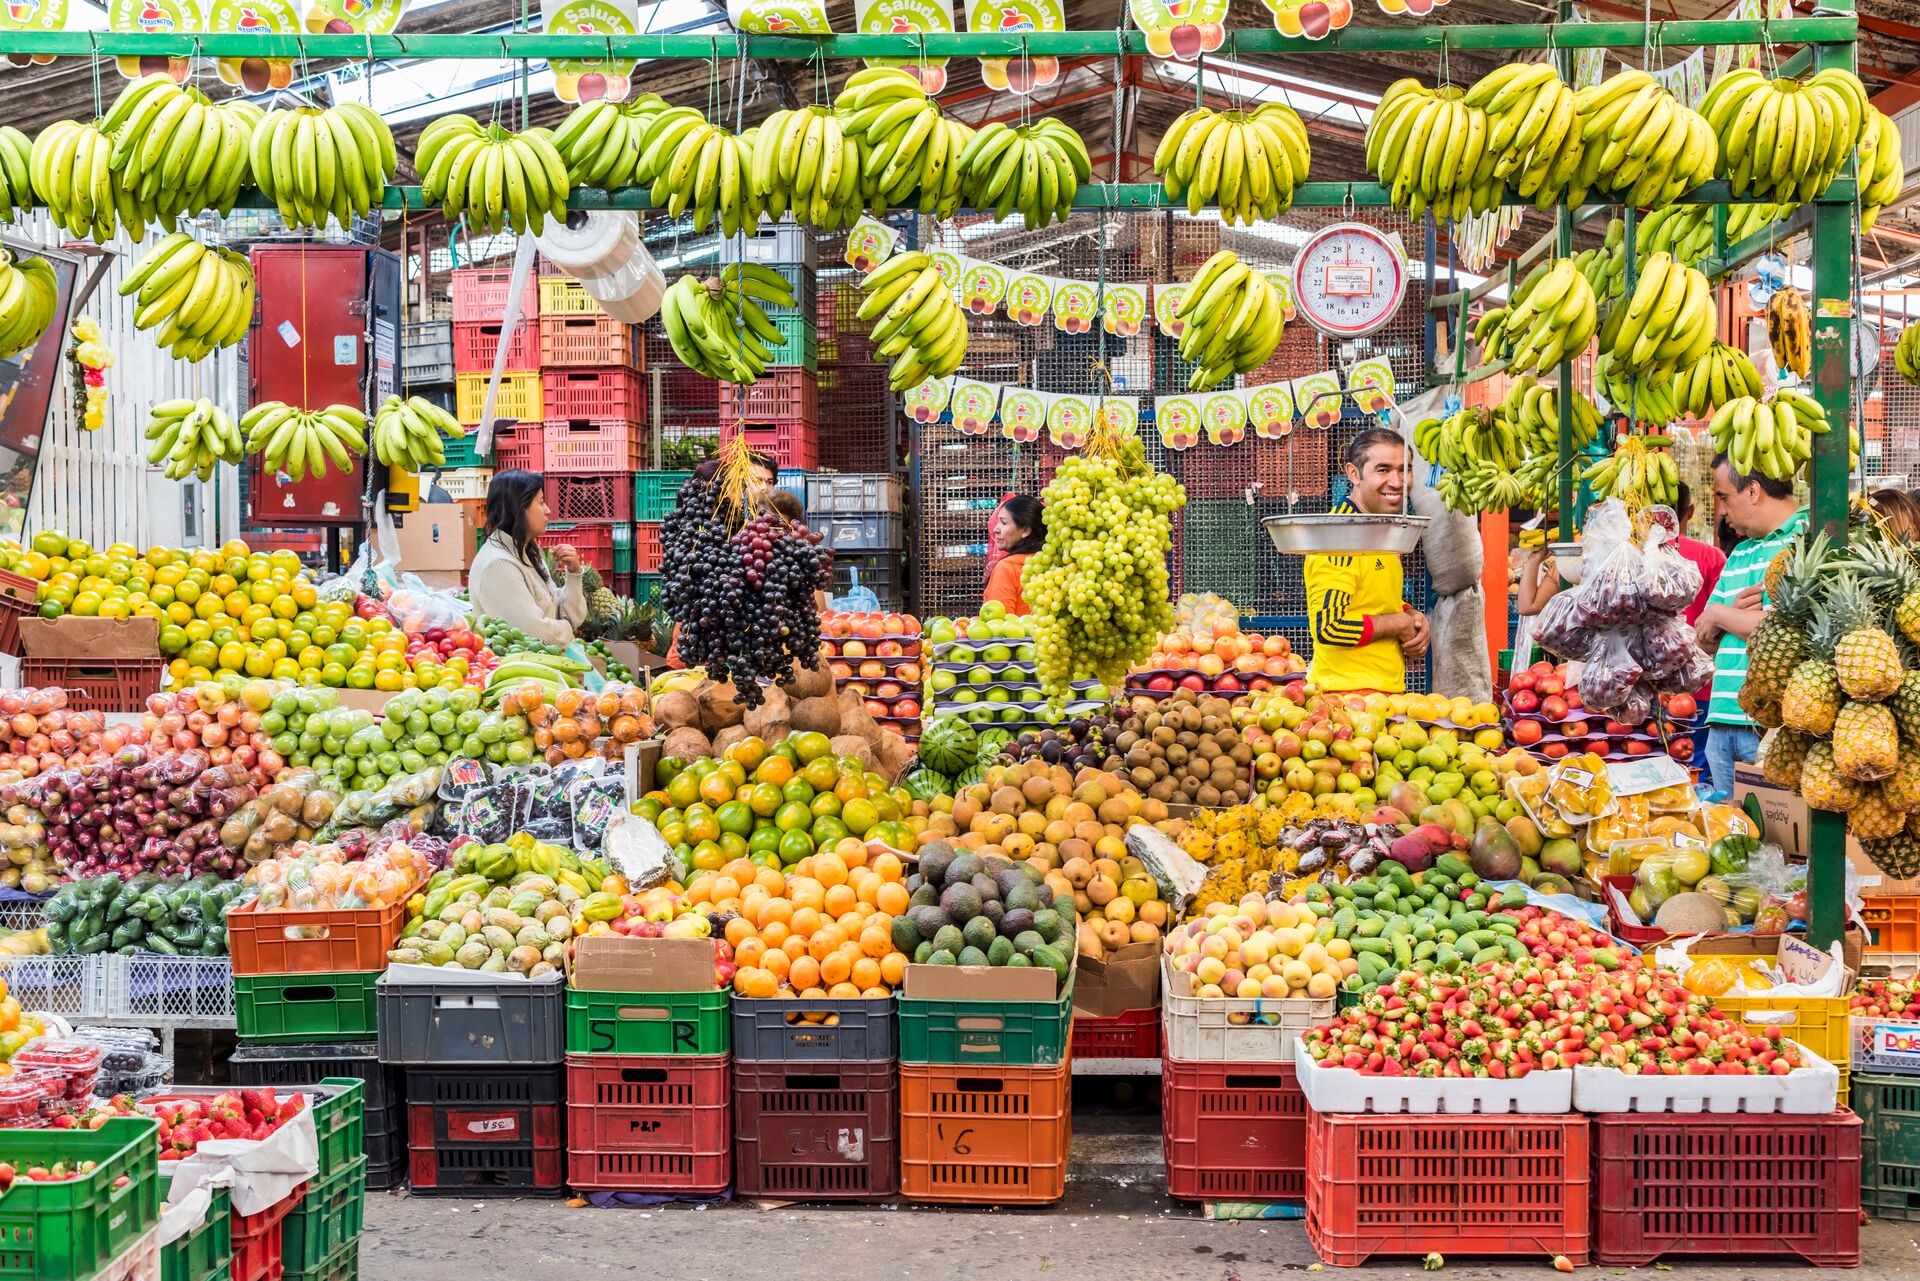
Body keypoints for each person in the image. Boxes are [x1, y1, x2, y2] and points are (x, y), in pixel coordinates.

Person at [1695, 454, 1807, 798]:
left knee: (1781, 839)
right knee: (1730, 835)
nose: (1723, 512)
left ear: (1753, 491)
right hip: (1720, 723)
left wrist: (1720, 615)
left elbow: (1783, 631)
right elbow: (1702, 638)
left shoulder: (1806, 540)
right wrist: (1728, 617)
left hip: (1772, 731)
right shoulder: (1741, 552)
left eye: (1724, 497)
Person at [1306, 428, 1429, 693]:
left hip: (1385, 695)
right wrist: (1398, 623)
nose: (1397, 482)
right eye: (1383, 470)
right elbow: (1329, 627)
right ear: (1353, 473)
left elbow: (1372, 598)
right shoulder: (1339, 537)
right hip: (1343, 701)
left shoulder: (1378, 530)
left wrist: (1411, 615)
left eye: (1404, 470)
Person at [468, 470, 587, 646]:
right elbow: (539, 635)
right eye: (541, 502)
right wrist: (567, 628)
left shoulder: (527, 552)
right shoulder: (498, 564)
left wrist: (574, 573)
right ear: (518, 508)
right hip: (517, 668)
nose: (548, 510)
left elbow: (566, 615)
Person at [984, 495, 1045, 616]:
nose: (996, 529)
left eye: (1004, 522)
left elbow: (997, 623)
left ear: (1026, 531)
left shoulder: (1007, 568)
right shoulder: (1053, 563)